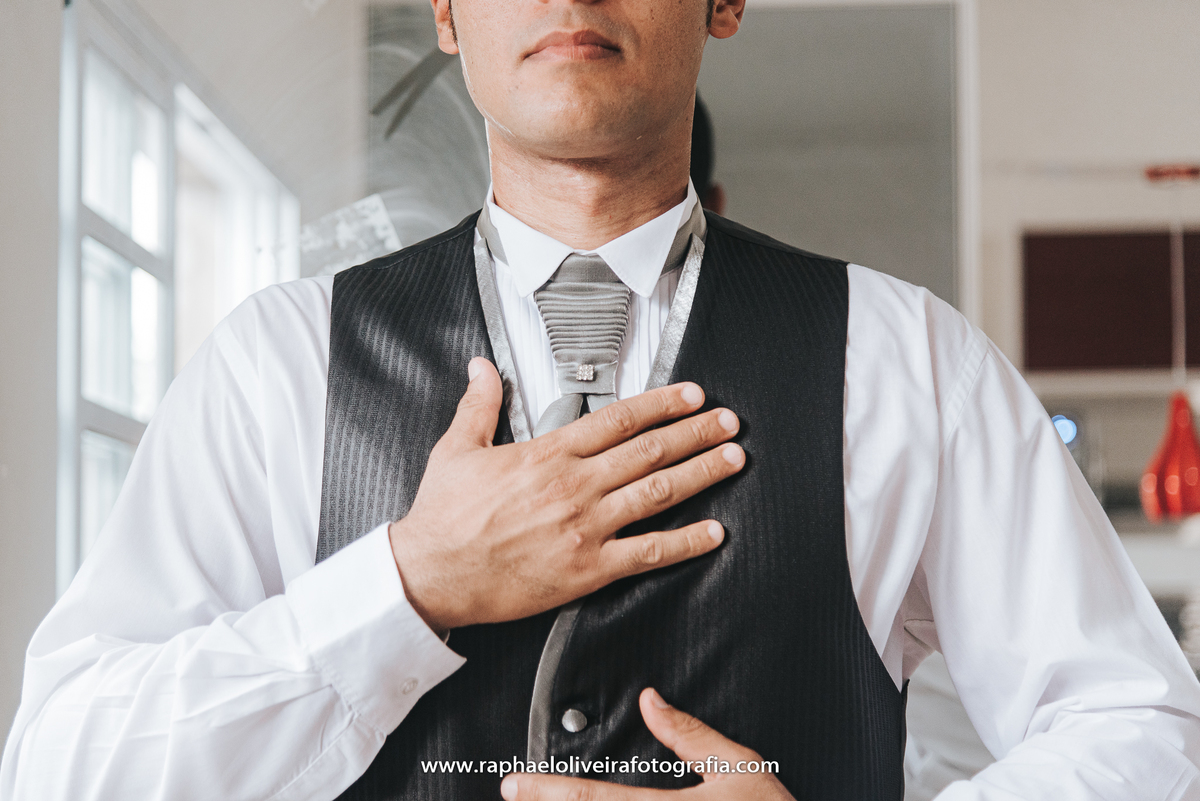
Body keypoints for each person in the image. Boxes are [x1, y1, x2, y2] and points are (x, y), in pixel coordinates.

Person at [4, 1, 1200, 799]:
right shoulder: (275, 363)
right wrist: (407, 586)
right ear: (446, 9)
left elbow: (1147, 735)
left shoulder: (909, 361)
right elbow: (63, 768)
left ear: (724, 0)